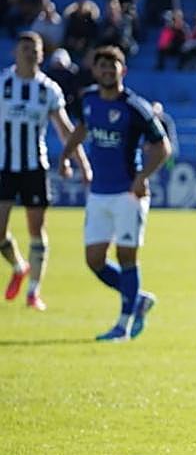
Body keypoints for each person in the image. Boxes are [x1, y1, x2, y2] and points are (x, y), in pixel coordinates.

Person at [59, 46, 171, 341]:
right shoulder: (89, 99)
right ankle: (139, 300)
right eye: (103, 67)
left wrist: (143, 177)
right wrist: (66, 154)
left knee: (126, 257)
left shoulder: (135, 107)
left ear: (124, 70)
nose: (108, 71)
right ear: (95, 71)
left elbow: (162, 147)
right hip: (98, 193)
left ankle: (123, 324)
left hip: (127, 194)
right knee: (94, 260)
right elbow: (82, 128)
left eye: (114, 66)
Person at [0, 32, 90, 310]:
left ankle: (33, 292)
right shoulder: (3, 83)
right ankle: (19, 266)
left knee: (36, 229)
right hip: (4, 166)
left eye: (35, 50)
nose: (30, 54)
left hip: (34, 168)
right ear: (16, 52)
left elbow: (65, 131)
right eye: (25, 49)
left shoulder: (48, 89)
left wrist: (82, 165)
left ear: (42, 54)